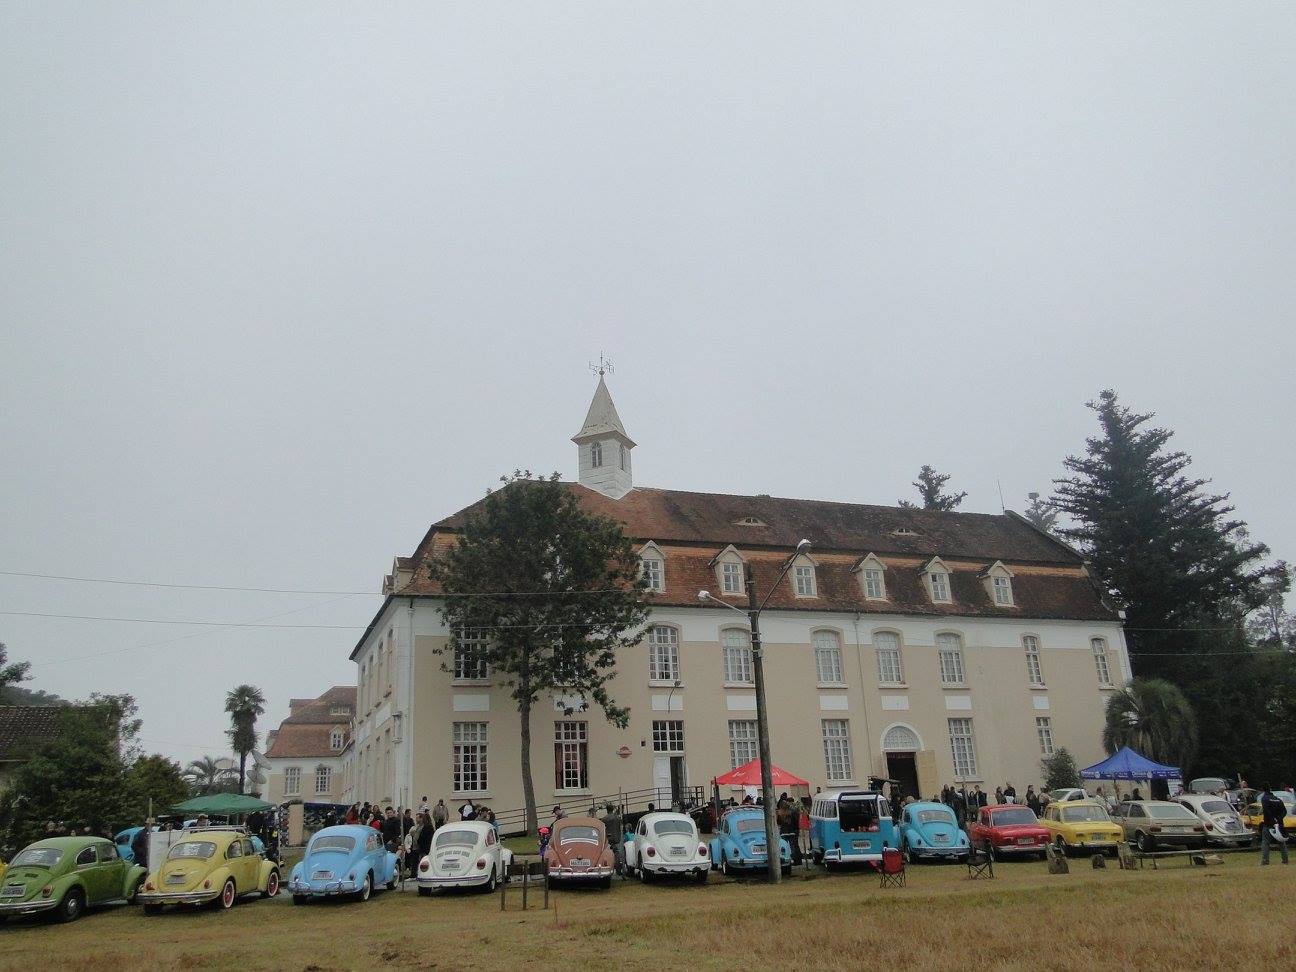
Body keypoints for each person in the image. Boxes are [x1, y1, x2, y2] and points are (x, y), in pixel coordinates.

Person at [1259, 784, 1289, 865]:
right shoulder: (1278, 799)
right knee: (1282, 843)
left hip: (1268, 824)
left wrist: (1273, 820)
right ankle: (1285, 860)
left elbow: (1267, 810)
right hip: (1279, 825)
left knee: (1265, 842)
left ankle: (1265, 861)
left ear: (1262, 789)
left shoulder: (1264, 799)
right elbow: (1284, 811)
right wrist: (1278, 819)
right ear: (1270, 789)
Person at [601, 803, 624, 873]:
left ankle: (610, 866)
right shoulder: (617, 818)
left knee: (609, 852)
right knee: (617, 853)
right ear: (612, 809)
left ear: (607, 810)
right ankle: (618, 868)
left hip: (608, 838)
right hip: (617, 837)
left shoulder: (604, 819)